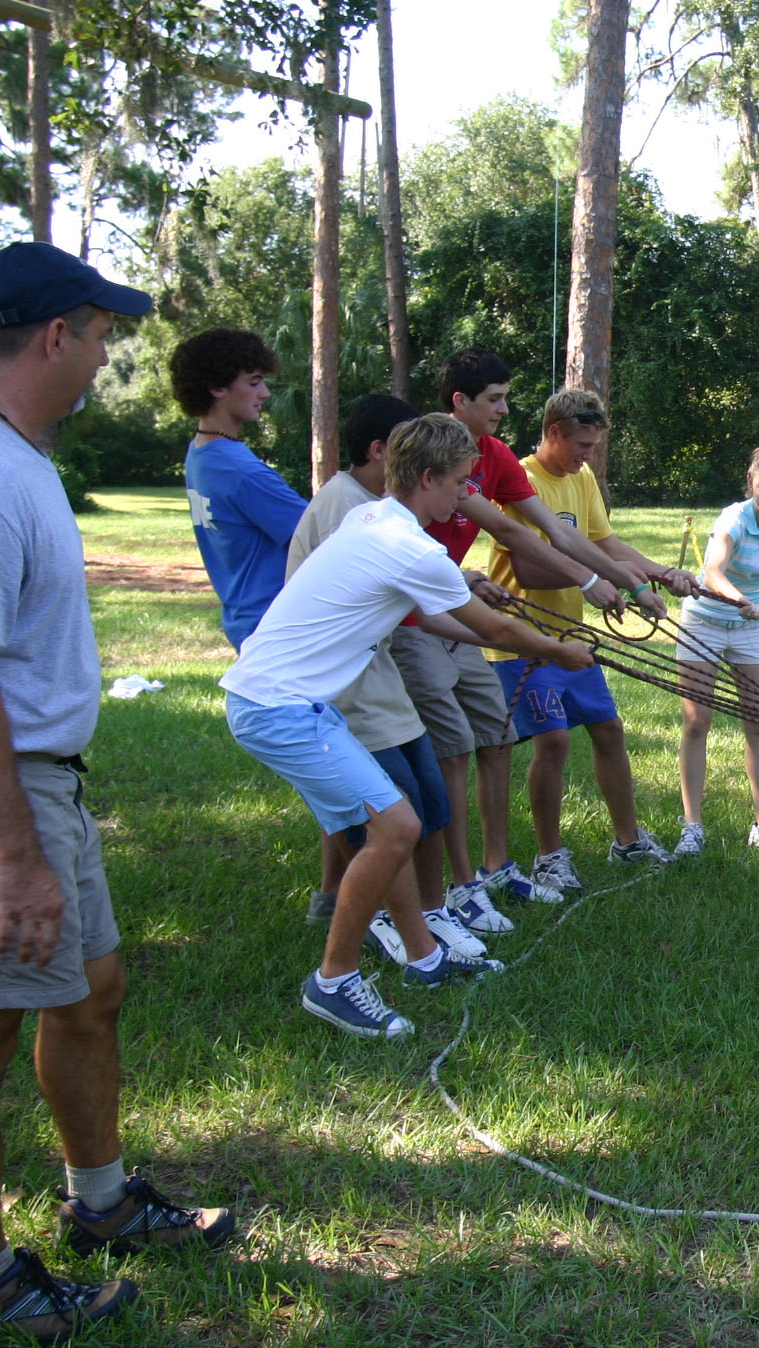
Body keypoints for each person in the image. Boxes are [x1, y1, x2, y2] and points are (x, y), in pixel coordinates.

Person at [0, 242, 232, 1341]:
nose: (112, 352)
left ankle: (101, 1198)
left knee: (93, 988)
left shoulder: (13, 455)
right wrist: (13, 853)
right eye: (105, 331)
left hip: (48, 783)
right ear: (55, 335)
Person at [223, 414, 599, 1040]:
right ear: (428, 478)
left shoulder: (374, 520)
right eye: (458, 483)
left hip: (293, 703)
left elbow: (438, 619)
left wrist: (472, 594)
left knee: (389, 824)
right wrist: (560, 649)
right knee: (396, 826)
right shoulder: (406, 544)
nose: (465, 497)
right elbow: (496, 631)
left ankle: (423, 955)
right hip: (277, 708)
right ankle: (334, 981)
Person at [389, 349, 682, 912]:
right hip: (432, 621)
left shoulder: (493, 458)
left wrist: (640, 581)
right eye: (495, 399)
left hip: (464, 615)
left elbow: (563, 534)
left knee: (499, 742)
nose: (504, 408)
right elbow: (514, 541)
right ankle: (455, 888)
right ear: (460, 401)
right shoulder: (439, 457)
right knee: (461, 751)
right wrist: (592, 577)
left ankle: (495, 867)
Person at [288, 394, 500, 958]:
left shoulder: (376, 507)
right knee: (389, 812)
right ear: (386, 452)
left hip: (375, 670)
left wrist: (465, 584)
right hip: (345, 679)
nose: (461, 494)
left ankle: (432, 910)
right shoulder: (348, 505)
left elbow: (418, 588)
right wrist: (537, 644)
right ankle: (392, 921)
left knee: (428, 796)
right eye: (456, 479)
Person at [484, 389, 689, 881]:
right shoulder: (521, 480)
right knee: (553, 741)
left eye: (595, 446)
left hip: (570, 637)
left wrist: (650, 576)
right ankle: (550, 858)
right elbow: (529, 570)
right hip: (520, 640)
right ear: (553, 432)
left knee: (609, 730)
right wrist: (600, 581)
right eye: (582, 445)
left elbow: (606, 543)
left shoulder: (583, 479)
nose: (589, 456)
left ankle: (629, 840)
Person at [671, 441, 759, 858]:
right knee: (697, 722)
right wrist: (739, 600)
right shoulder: (734, 517)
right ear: (751, 483)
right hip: (706, 620)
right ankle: (692, 827)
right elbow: (713, 571)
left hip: (751, 625)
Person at [175, 327, 304, 650]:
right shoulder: (240, 469)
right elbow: (316, 533)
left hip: (243, 620)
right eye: (253, 382)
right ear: (217, 387)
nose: (265, 393)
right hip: (276, 626)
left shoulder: (200, 452)